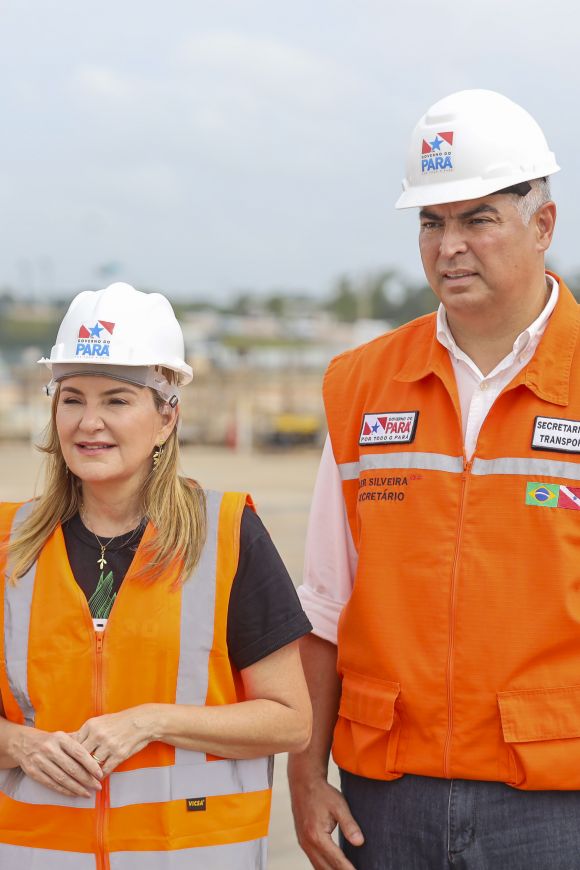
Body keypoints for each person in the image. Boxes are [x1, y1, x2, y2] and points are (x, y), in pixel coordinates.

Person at [288, 89, 580, 869]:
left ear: (543, 224)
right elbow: (324, 604)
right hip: (386, 796)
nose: (449, 247)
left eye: (477, 219)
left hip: (555, 799)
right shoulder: (362, 385)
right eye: (431, 222)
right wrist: (306, 774)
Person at [0, 282, 312, 869]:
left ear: (167, 417)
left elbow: (291, 721)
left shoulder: (227, 535)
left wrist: (151, 722)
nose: (89, 422)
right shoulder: (8, 543)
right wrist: (16, 743)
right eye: (72, 399)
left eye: (117, 400)